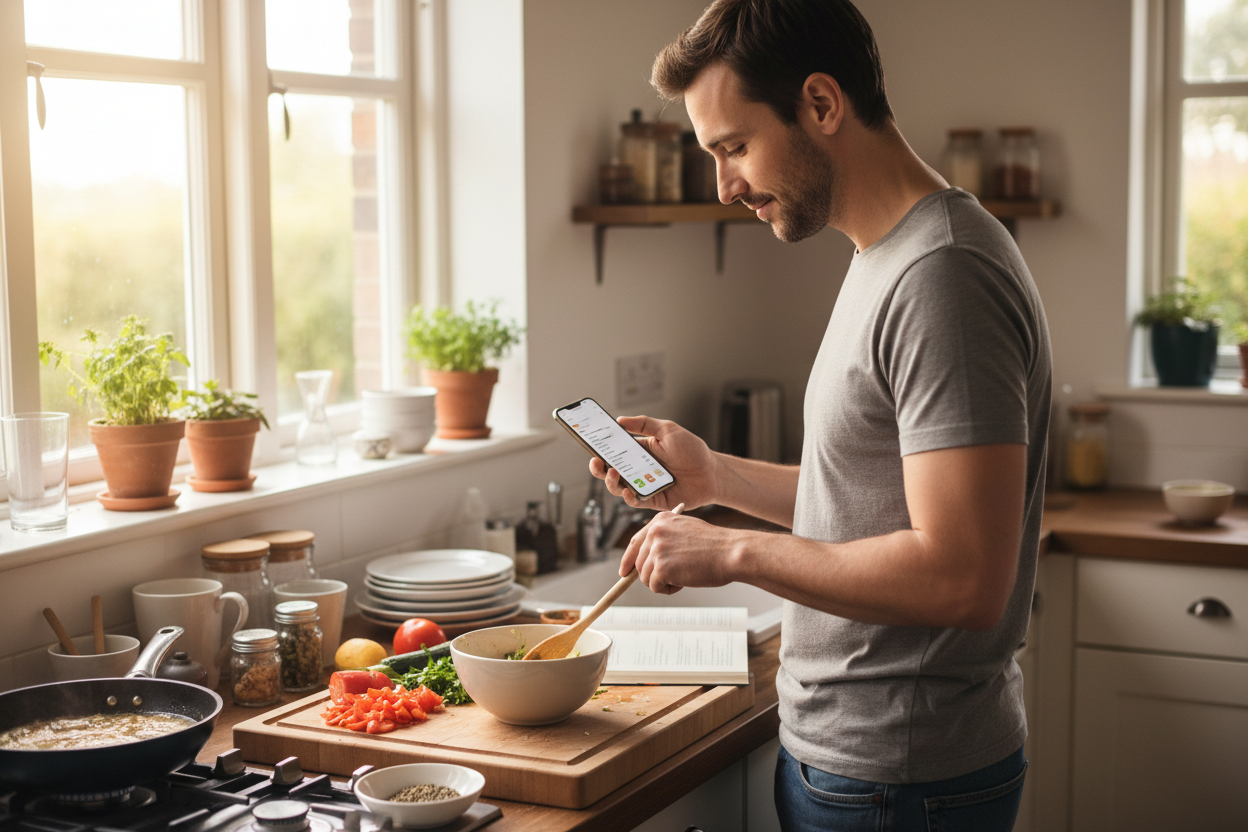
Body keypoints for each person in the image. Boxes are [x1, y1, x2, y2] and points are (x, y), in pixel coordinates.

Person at [587, 1, 1053, 830]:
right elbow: (870, 498)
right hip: (863, 766)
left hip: (900, 777)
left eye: (734, 147)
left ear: (822, 104)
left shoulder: (943, 276)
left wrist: (732, 550)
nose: (725, 186)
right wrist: (715, 478)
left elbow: (964, 576)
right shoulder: (888, 253)